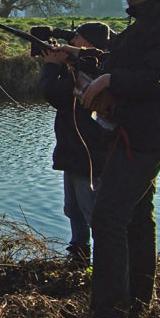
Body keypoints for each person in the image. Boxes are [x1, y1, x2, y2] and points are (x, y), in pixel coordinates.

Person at [58, 0, 160, 318]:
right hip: (136, 134)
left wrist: (109, 82)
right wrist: (76, 55)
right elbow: (118, 56)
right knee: (138, 218)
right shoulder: (151, 22)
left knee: (107, 219)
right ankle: (138, 304)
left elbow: (159, 78)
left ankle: (108, 313)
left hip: (143, 140)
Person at [40, 22, 111, 267]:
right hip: (73, 151)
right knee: (73, 209)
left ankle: (106, 264)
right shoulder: (80, 67)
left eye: (76, 38)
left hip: (87, 153)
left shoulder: (93, 71)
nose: (71, 42)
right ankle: (79, 259)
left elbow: (56, 94)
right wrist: (63, 65)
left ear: (90, 44)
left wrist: (51, 67)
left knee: (91, 211)